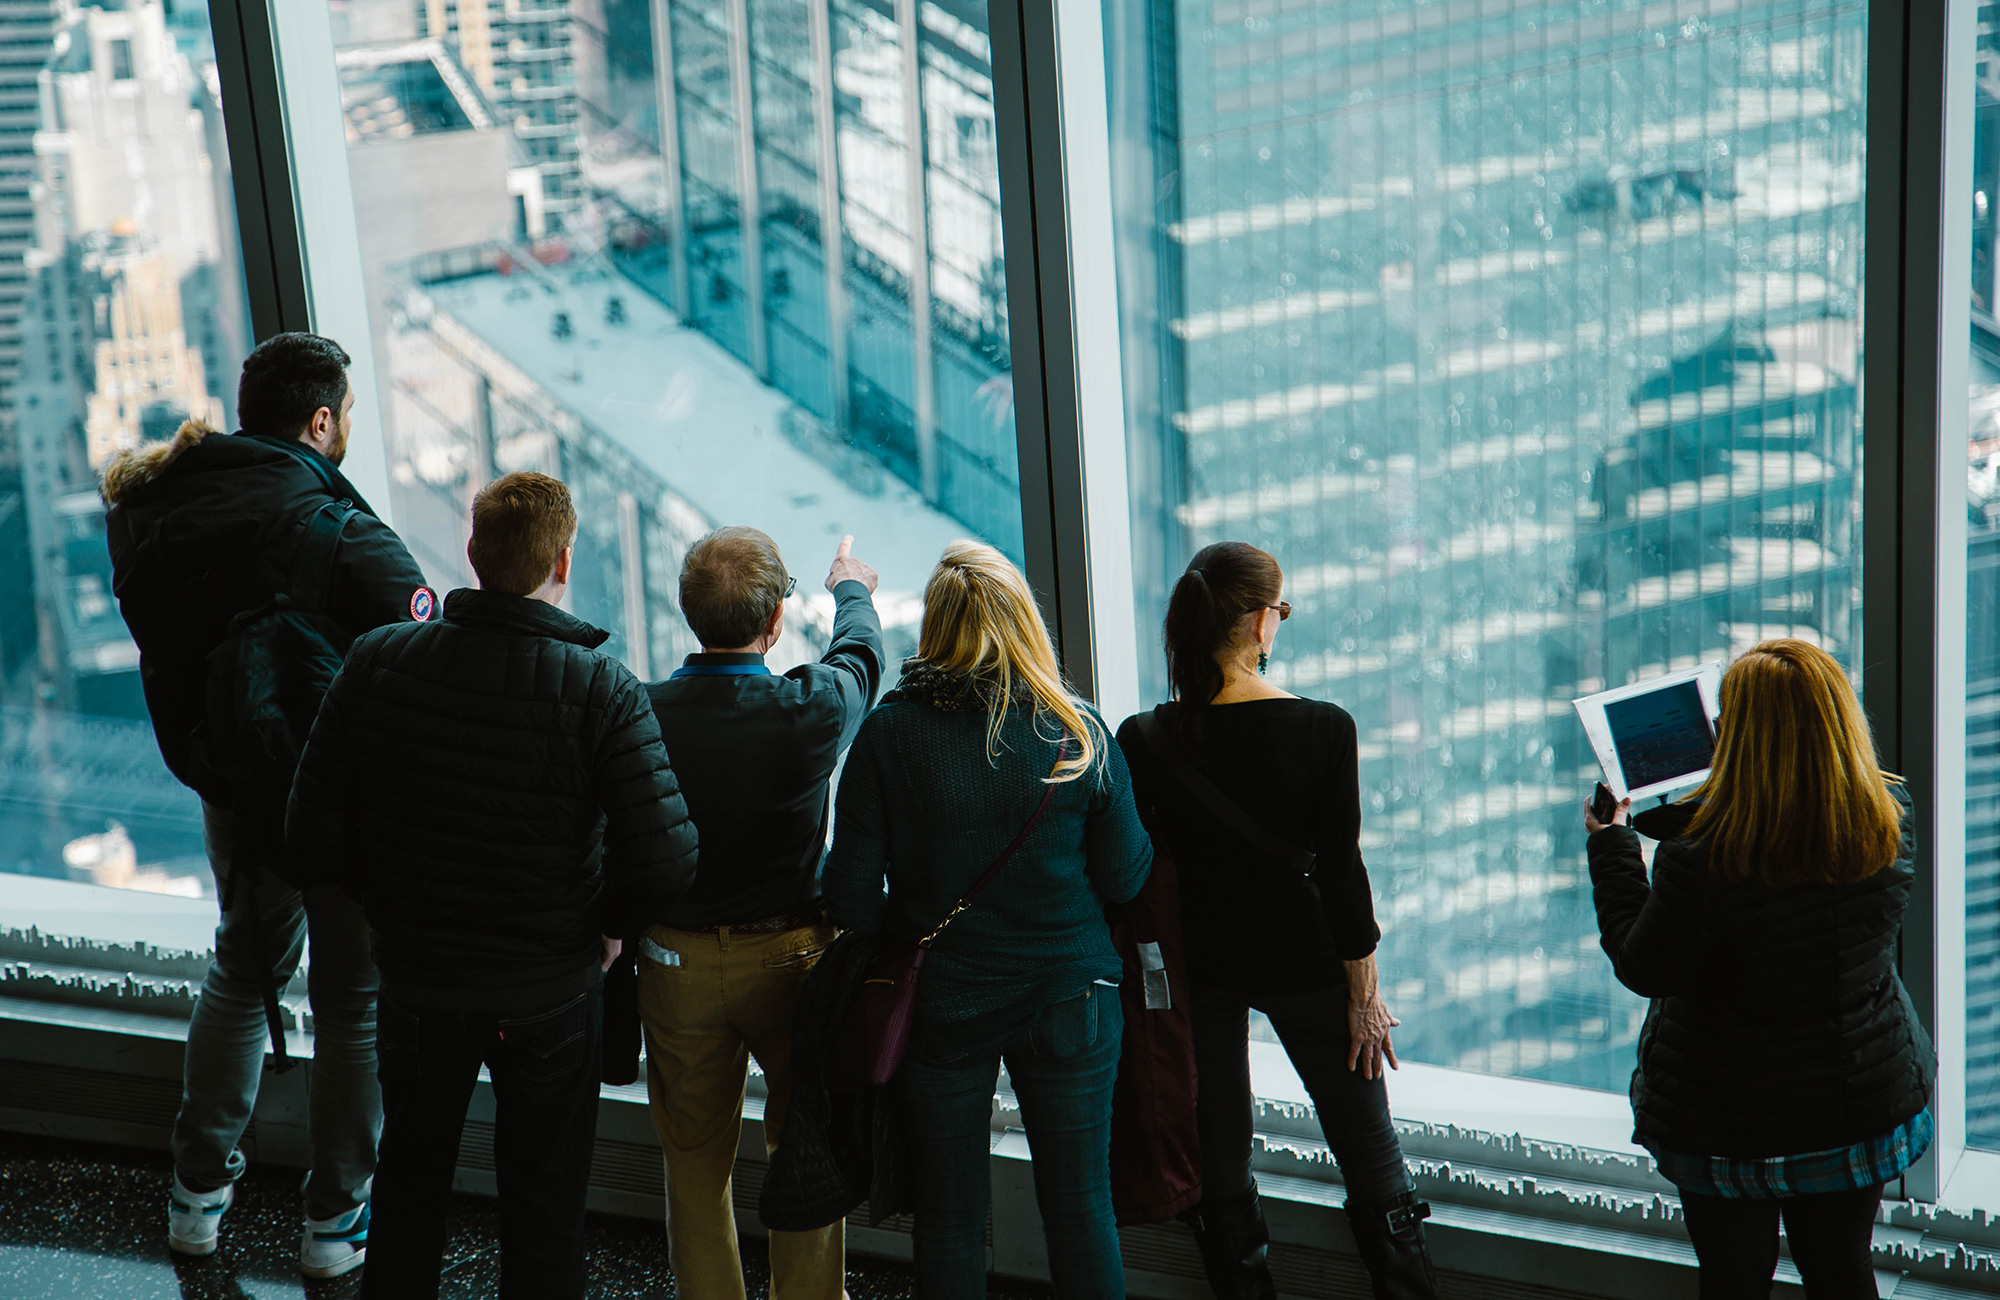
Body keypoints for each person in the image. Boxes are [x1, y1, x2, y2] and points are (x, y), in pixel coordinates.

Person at [286, 471, 701, 1300]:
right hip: (548, 989)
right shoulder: (600, 689)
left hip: (415, 982)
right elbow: (666, 859)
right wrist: (607, 926)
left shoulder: (378, 661)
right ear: (564, 561)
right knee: (545, 1210)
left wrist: (390, 901)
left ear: (471, 553)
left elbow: (307, 832)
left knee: (406, 1190)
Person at [101, 332, 430, 1277]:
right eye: (348, 416)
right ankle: (334, 1226)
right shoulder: (341, 533)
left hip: (232, 789)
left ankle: (196, 1201)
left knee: (242, 973)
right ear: (321, 420)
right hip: (342, 804)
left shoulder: (162, 505)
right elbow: (427, 655)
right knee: (352, 1002)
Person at [822, 541, 1153, 1300]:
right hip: (1071, 995)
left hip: (940, 1005)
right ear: (1024, 623)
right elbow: (1127, 875)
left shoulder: (889, 737)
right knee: (1079, 1209)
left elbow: (846, 897)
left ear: (936, 627)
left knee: (949, 1217)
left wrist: (912, 921)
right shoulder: (1079, 733)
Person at [1116, 541, 1437, 1300]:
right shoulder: (1325, 728)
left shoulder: (1144, 738)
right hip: (1309, 964)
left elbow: (1138, 872)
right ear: (1263, 622)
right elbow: (1343, 876)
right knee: (1370, 1156)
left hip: (1203, 971)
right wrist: (1364, 994)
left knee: (1222, 1162)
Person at [1585, 639, 1934, 1300]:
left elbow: (1642, 964)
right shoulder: (1889, 817)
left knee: (1734, 1282)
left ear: (1740, 737)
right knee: (1841, 1272)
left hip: (1727, 1122)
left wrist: (1612, 846)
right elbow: (1775, 836)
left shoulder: (1699, 861)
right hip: (1855, 1105)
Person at [638, 527, 885, 1300]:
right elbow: (862, 659)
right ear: (776, 622)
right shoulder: (806, 711)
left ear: (687, 613)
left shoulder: (641, 713)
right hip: (791, 961)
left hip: (676, 960)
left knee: (693, 1158)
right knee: (801, 1142)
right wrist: (850, 587)